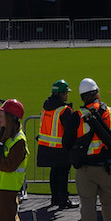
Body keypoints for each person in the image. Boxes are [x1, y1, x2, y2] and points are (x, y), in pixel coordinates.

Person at [67, 77, 111, 221]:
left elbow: (67, 142)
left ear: (83, 97)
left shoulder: (77, 116)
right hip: (107, 167)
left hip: (86, 169)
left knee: (88, 207)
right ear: (97, 93)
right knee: (110, 203)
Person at [35, 79, 75, 211]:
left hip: (46, 147)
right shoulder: (64, 110)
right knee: (63, 175)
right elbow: (70, 131)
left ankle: (55, 198)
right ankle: (63, 200)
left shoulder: (46, 106)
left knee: (54, 173)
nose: (67, 95)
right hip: (60, 149)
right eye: (65, 93)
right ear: (60, 94)